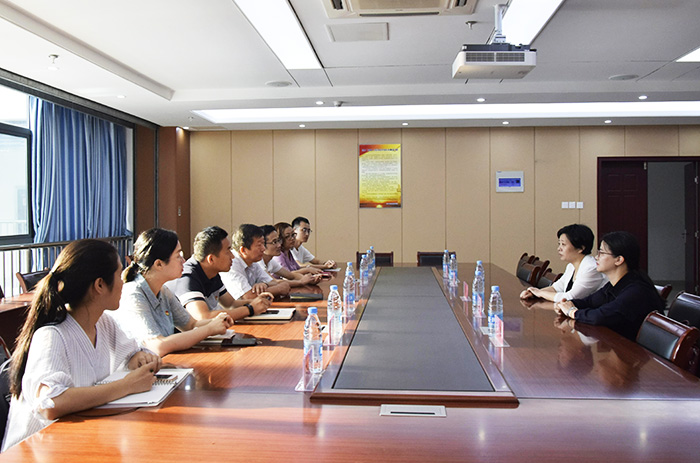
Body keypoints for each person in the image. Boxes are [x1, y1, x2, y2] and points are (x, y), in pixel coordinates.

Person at [2, 240, 160, 452]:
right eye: (119, 274)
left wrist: (139, 357)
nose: (123, 281)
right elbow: (51, 403)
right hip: (36, 451)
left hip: (77, 441)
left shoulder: (103, 323)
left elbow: (132, 352)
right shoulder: (51, 336)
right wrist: (126, 385)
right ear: (99, 285)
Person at [111, 228, 234, 357]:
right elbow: (158, 346)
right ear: (159, 264)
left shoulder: (163, 291)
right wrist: (209, 329)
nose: (184, 261)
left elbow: (191, 325)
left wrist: (217, 321)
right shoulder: (133, 294)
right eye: (178, 256)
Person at [556, 231, 665, 340]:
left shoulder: (636, 290)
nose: (596, 257)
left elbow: (600, 316)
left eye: (602, 253)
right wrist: (567, 304)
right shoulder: (614, 284)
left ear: (619, 260)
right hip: (618, 342)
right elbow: (589, 302)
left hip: (633, 348)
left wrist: (572, 311)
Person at [166, 226, 272, 321]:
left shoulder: (212, 271)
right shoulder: (187, 277)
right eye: (227, 251)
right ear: (211, 259)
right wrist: (250, 309)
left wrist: (257, 302)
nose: (232, 256)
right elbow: (203, 317)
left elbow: (230, 304)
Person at [520, 224, 607, 302]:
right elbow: (556, 288)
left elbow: (570, 298)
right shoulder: (571, 266)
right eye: (559, 244)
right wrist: (533, 293)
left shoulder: (591, 268)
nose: (559, 248)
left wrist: (540, 293)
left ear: (581, 248)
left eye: (563, 244)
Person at [220, 224, 291, 299]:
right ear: (243, 250)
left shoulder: (253, 261)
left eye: (263, 244)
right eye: (259, 245)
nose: (263, 249)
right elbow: (248, 296)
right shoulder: (232, 264)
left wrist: (265, 285)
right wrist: (278, 289)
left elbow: (274, 283)